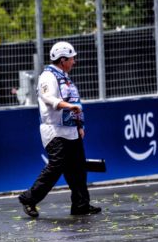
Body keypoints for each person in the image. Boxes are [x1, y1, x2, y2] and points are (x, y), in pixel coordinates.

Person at [18, 41, 101, 218]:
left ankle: (81, 204)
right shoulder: (48, 76)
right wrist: (68, 107)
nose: (74, 62)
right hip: (54, 131)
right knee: (56, 166)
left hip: (70, 130)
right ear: (62, 59)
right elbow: (47, 98)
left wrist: (79, 126)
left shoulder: (64, 76)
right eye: (72, 58)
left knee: (78, 168)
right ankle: (29, 198)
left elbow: (74, 102)